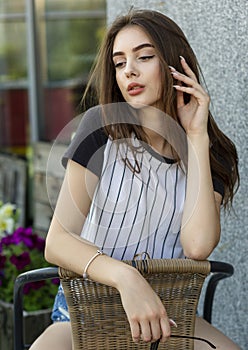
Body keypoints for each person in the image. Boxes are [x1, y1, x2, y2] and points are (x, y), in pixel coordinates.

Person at [30, 9, 240, 350]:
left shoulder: (211, 154)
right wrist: (127, 278)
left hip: (170, 317)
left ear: (175, 64)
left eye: (144, 56)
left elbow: (198, 247)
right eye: (119, 62)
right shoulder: (100, 129)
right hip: (86, 313)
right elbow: (58, 242)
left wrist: (197, 137)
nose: (129, 70)